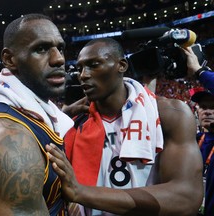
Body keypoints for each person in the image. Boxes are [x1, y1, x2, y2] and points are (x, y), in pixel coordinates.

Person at [46, 38, 204, 216]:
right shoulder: (73, 122)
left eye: (93, 65)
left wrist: (81, 192)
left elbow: (185, 197)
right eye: (80, 68)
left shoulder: (169, 114)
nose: (83, 75)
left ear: (121, 65)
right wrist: (63, 116)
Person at [0, 13, 74, 215]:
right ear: (9, 59)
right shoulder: (5, 137)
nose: (58, 59)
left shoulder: (37, 114)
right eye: (40, 49)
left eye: (60, 48)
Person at [189, 87, 214, 216]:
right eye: (203, 107)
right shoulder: (189, 141)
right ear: (197, 112)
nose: (207, 112)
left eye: (213, 107)